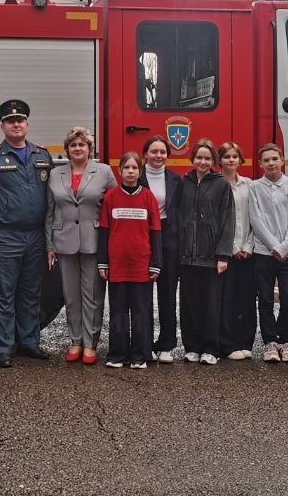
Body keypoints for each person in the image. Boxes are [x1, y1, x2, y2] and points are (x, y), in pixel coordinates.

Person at [0, 99, 54, 368]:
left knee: (31, 293)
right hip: (5, 235)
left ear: (27, 124)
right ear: (3, 126)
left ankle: (29, 342)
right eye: (11, 121)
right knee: (3, 294)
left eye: (20, 120)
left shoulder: (42, 156)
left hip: (35, 236)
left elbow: (52, 200)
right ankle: (3, 347)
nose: (16, 124)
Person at [46, 126, 116, 365]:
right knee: (71, 296)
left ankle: (90, 343)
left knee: (93, 295)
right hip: (64, 242)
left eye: (82, 145)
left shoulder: (104, 172)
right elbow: (50, 211)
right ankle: (75, 341)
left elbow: (114, 208)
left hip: (94, 241)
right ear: (67, 149)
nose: (77, 148)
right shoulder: (56, 174)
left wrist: (112, 244)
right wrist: (49, 245)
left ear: (89, 148)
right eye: (73, 145)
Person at [99, 152, 162, 369]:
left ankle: (139, 355)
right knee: (117, 311)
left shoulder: (148, 197)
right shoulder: (111, 197)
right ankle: (117, 354)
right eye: (127, 168)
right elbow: (104, 232)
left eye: (135, 168)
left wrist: (156, 262)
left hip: (142, 265)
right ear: (120, 171)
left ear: (140, 172)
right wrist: (103, 262)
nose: (131, 172)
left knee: (141, 311)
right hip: (116, 265)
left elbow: (156, 232)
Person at [177, 139, 235, 365]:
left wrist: (223, 256)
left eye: (207, 158)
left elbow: (228, 221)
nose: (203, 162)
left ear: (214, 162)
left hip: (211, 257)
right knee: (189, 303)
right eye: (199, 157)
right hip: (187, 256)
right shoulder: (185, 182)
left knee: (211, 304)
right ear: (192, 159)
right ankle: (192, 346)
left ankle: (211, 347)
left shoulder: (221, 185)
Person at [249, 143, 288, 363]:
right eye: (266, 160)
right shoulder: (254, 187)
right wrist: (274, 245)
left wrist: (284, 246)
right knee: (265, 298)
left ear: (282, 160)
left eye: (275, 158)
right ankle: (270, 342)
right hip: (263, 252)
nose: (271, 163)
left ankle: (285, 341)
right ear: (260, 163)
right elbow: (256, 219)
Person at [139, 135, 182, 363]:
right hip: (142, 236)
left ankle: (166, 345)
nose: (158, 156)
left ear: (168, 155)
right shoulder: (135, 178)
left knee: (167, 294)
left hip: (168, 239)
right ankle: (143, 343)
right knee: (143, 295)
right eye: (153, 151)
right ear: (145, 154)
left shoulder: (176, 180)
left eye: (162, 152)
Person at [217, 142, 256, 360]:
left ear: (240, 160)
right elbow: (218, 222)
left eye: (235, 156)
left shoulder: (249, 185)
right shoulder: (216, 185)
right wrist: (231, 247)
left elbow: (255, 218)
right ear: (219, 161)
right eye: (226, 156)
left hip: (248, 250)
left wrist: (248, 246)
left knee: (247, 298)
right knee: (227, 298)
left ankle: (245, 341)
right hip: (227, 252)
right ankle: (228, 344)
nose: (231, 160)